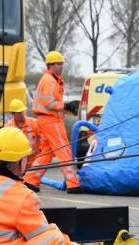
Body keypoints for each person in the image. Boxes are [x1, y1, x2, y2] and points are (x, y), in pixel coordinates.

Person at [22, 51, 82, 194]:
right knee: (64, 150)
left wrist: (65, 108)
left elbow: (49, 102)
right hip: (50, 120)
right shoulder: (49, 80)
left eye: (61, 63)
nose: (60, 66)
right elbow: (49, 102)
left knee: (47, 153)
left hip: (46, 120)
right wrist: (66, 105)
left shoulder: (50, 79)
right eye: (57, 64)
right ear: (50, 65)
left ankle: (30, 180)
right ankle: (73, 183)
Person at [5, 99, 41, 165]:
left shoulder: (34, 123)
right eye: (19, 113)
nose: (22, 114)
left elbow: (43, 139)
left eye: (23, 111)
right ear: (13, 114)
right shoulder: (8, 128)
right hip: (17, 163)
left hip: (34, 162)